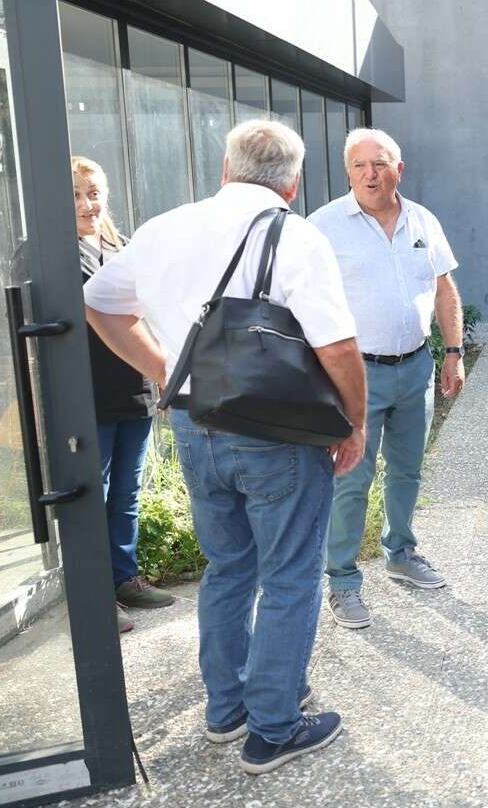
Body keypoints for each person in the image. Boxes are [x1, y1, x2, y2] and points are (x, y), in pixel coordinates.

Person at [84, 120, 368, 775]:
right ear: (292, 183)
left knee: (229, 565)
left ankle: (227, 708)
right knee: (291, 571)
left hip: (195, 421)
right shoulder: (296, 237)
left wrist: (163, 370)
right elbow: (337, 347)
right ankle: (274, 727)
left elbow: (99, 304)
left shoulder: (164, 228)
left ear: (225, 169)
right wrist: (353, 423)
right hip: (277, 431)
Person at [309, 128, 464, 630]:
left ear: (400, 168)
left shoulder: (422, 220)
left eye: (380, 164)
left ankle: (401, 552)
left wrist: (454, 353)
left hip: (415, 366)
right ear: (347, 171)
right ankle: (342, 580)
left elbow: (444, 289)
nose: (370, 174)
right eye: (359, 165)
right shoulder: (324, 226)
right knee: (351, 478)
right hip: (354, 374)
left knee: (407, 469)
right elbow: (301, 300)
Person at [72, 157, 174, 635]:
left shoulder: (123, 246)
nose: (87, 204)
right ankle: (96, 595)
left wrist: (162, 372)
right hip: (86, 392)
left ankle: (124, 578)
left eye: (93, 194)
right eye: (76, 195)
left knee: (127, 492)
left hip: (134, 390)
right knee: (94, 493)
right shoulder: (51, 252)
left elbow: (149, 312)